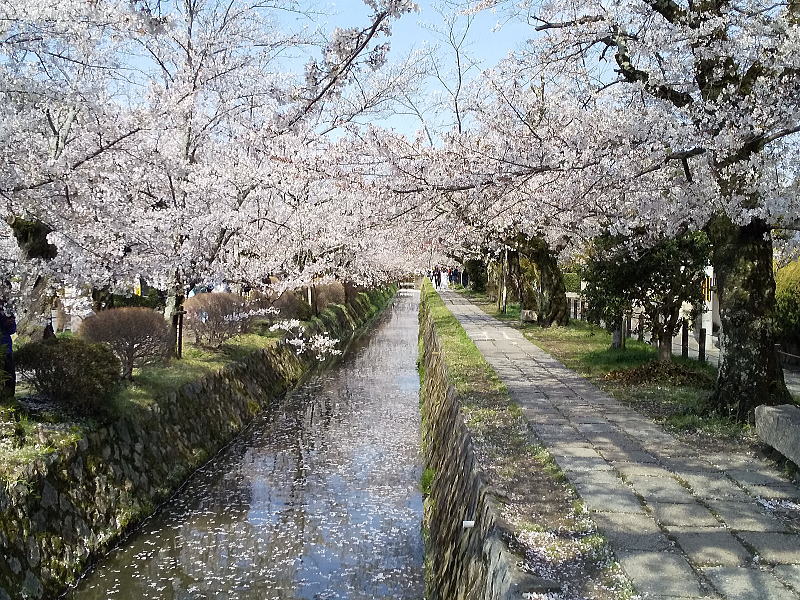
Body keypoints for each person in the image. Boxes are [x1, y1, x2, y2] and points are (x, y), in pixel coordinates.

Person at [0, 302, 16, 399]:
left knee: (9, 375)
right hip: (4, 348)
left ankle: (9, 398)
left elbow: (12, 330)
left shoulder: (6, 310)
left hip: (6, 349)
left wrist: (10, 322)